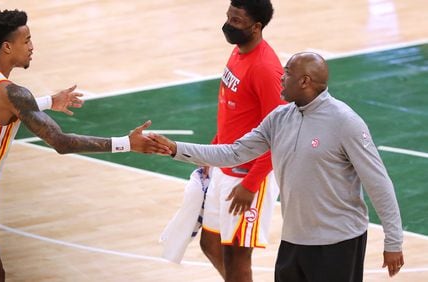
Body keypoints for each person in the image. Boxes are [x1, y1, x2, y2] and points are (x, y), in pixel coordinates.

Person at [0, 9, 169, 282]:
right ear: (7, 47)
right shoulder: (12, 92)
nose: (32, 47)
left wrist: (47, 102)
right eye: (27, 40)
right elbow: (61, 143)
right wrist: (126, 143)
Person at [151, 52, 404, 281]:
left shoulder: (345, 122)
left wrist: (393, 241)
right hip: (294, 240)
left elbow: (378, 182)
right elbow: (233, 152)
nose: (281, 78)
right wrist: (174, 148)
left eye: (288, 74)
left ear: (305, 81)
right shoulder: (280, 118)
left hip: (339, 242)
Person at [169, 1, 285, 281]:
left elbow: (280, 134)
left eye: (236, 21)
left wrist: (251, 183)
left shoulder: (266, 69)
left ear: (256, 27)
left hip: (251, 174)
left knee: (237, 256)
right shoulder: (238, 51)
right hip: (225, 164)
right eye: (228, 17)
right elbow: (232, 111)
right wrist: (212, 155)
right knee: (209, 243)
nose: (228, 25)